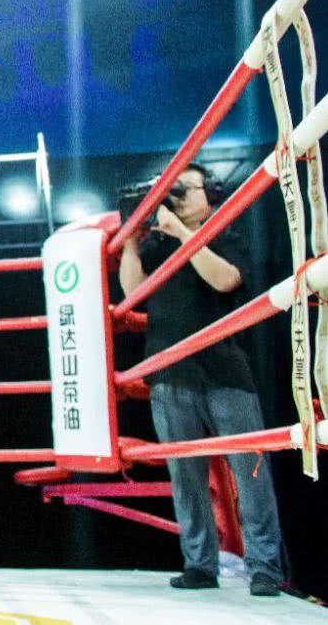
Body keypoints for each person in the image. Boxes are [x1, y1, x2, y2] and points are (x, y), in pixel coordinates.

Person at [117, 163, 283, 597]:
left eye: (185, 189)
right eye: (171, 190)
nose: (177, 197)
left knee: (250, 473)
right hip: (170, 374)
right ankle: (199, 564)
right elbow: (133, 292)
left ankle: (266, 566)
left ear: (210, 194)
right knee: (185, 476)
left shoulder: (227, 236)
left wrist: (182, 233)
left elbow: (226, 280)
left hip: (225, 372)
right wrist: (131, 239)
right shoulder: (157, 245)